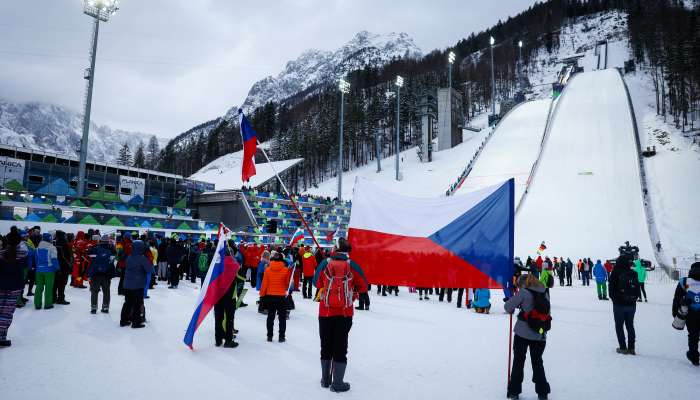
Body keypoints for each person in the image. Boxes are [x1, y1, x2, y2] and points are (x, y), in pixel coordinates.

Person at [313, 238, 368, 392]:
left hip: (325, 311)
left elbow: (315, 282)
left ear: (335, 249)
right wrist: (354, 290)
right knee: (340, 345)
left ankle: (325, 379)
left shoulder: (326, 263)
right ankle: (337, 383)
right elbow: (364, 285)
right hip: (344, 313)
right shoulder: (353, 265)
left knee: (326, 344)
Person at [505, 274, 551, 400]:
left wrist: (512, 298)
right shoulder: (544, 293)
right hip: (539, 334)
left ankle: (514, 391)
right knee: (537, 363)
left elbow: (508, 307)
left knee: (518, 362)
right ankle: (542, 393)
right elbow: (547, 313)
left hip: (522, 333)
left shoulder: (523, 292)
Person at [0, 227, 28, 347]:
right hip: (15, 287)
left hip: (1, 285)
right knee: (6, 312)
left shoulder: (1, 254)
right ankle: (1, 336)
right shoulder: (22, 253)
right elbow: (26, 250)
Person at [608, 254, 639, 355]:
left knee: (619, 325)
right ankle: (631, 348)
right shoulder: (633, 273)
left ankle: (623, 347)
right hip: (632, 304)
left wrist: (615, 300)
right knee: (630, 325)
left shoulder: (615, 272)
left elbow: (611, 290)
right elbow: (637, 290)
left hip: (619, 305)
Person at [120, 240, 154, 328]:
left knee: (127, 303)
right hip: (138, 285)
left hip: (127, 284)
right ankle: (136, 322)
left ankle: (123, 320)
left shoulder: (129, 257)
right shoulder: (142, 258)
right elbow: (149, 270)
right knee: (137, 304)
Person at [260, 251, 292, 342]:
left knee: (270, 317)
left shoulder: (268, 269)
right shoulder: (286, 270)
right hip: (281, 297)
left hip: (270, 296)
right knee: (282, 318)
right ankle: (281, 337)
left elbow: (264, 284)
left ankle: (269, 336)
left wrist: (262, 295)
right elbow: (287, 284)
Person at [673, 262, 700, 366]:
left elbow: (677, 298)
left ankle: (694, 357)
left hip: (691, 313)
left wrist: (675, 313)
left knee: (693, 335)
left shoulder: (684, 281)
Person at [87, 234, 116, 314]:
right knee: (106, 291)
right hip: (107, 274)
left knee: (94, 291)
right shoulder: (112, 250)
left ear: (100, 241)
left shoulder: (95, 249)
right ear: (108, 242)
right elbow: (113, 261)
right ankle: (105, 308)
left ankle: (93, 308)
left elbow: (88, 256)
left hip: (96, 274)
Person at [34, 232, 59, 310]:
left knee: (39, 287)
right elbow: (54, 259)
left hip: (39, 270)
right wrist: (58, 268)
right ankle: (48, 304)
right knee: (48, 287)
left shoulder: (37, 248)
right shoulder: (52, 248)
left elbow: (36, 259)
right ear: (50, 239)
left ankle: (37, 304)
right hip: (49, 271)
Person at [53, 230, 71, 305]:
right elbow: (66, 256)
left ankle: (53, 298)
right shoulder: (64, 243)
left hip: (55, 265)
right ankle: (61, 298)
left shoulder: (54, 242)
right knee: (62, 283)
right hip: (63, 266)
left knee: (55, 283)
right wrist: (69, 264)